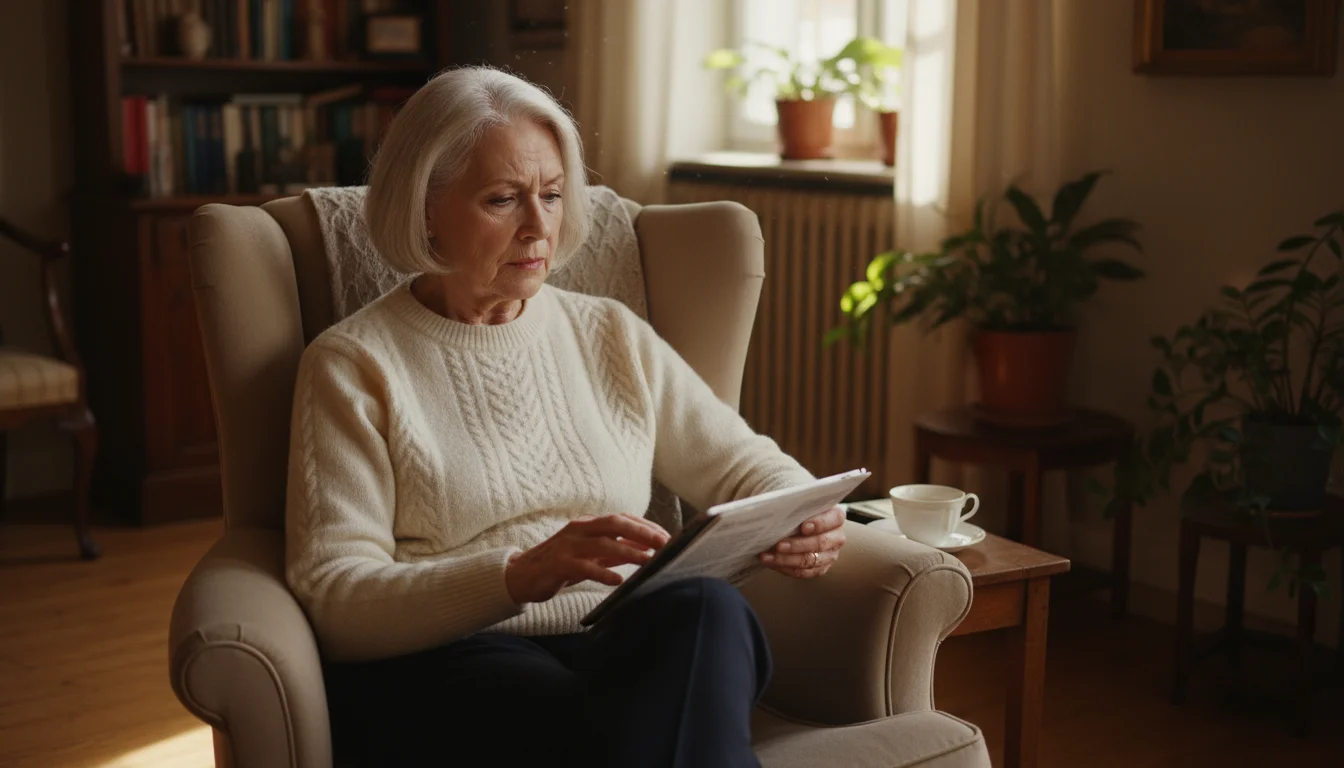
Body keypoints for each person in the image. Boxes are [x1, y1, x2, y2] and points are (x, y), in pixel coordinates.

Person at [285, 66, 847, 768]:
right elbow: (335, 599)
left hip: (615, 638)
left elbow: (738, 463)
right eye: (502, 199)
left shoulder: (607, 333)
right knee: (618, 725)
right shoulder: (353, 364)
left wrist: (805, 513)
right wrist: (518, 574)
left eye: (551, 195)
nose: (538, 226)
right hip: (453, 659)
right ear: (424, 207)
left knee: (708, 611)